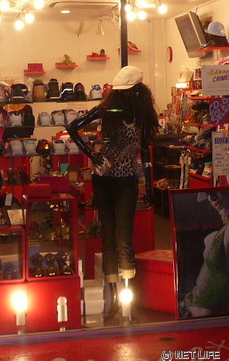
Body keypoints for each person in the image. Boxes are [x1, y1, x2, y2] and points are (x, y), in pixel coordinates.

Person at [67, 65, 158, 319]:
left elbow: (144, 150)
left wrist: (149, 183)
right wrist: (91, 154)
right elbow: (73, 127)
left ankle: (126, 296)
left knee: (123, 236)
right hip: (104, 178)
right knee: (109, 235)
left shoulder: (140, 114)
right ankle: (113, 296)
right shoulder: (108, 110)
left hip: (126, 179)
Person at [179, 189, 229, 317]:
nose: (211, 197)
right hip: (186, 305)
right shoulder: (225, 229)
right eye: (207, 193)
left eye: (217, 190)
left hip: (200, 317)